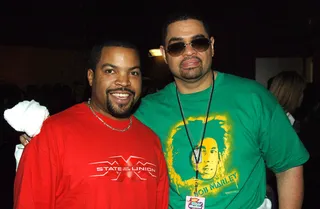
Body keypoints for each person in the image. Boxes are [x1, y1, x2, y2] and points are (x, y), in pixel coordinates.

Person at [17, 13, 309, 209]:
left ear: (212, 46)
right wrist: (41, 139)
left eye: (197, 42)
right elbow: (98, 131)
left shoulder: (253, 97)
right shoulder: (144, 110)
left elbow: (289, 166)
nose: (189, 52)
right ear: (165, 53)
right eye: (177, 46)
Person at [13, 40, 169, 209]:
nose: (124, 82)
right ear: (91, 77)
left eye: (134, 73)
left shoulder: (151, 140)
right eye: (110, 71)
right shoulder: (52, 133)